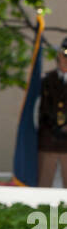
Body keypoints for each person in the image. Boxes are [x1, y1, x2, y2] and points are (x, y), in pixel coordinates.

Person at [37, 36, 67, 187]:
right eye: (65, 54)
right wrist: (56, 125)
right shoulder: (46, 80)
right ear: (59, 56)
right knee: (44, 186)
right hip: (49, 141)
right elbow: (42, 109)